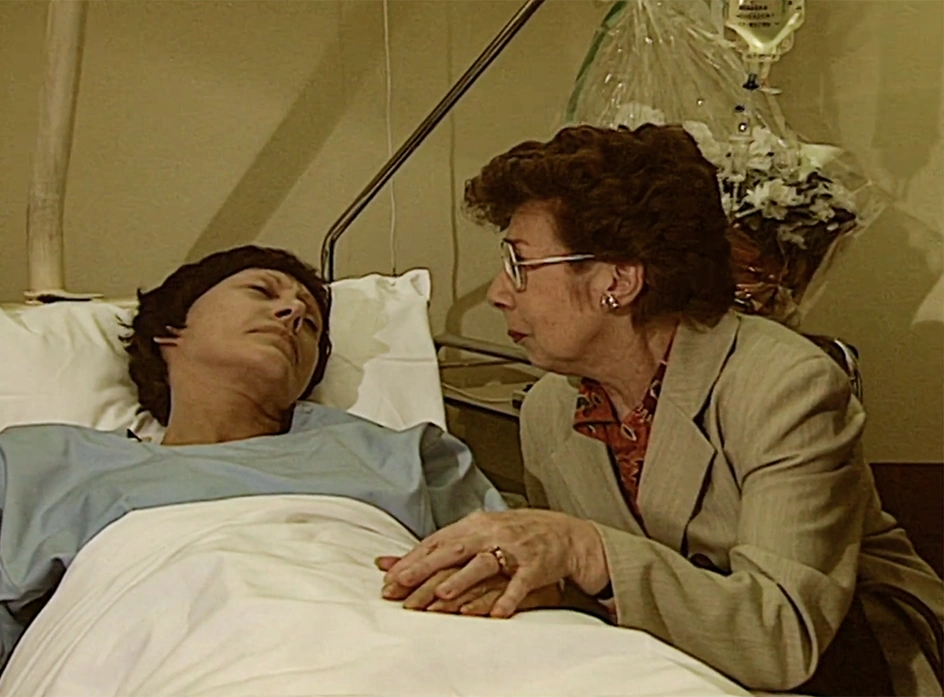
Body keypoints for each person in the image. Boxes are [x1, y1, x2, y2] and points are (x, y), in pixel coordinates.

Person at [378, 125, 944, 697]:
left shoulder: (784, 385)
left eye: (519, 264)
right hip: (680, 665)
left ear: (618, 280)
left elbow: (782, 636)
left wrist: (582, 547)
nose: (499, 293)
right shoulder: (550, 409)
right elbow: (612, 589)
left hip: (857, 665)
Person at [0, 245, 547, 681]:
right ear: (169, 330)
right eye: (261, 292)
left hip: (419, 649)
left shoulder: (398, 453)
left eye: (312, 325)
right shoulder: (39, 464)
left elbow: (518, 568)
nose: (293, 311)